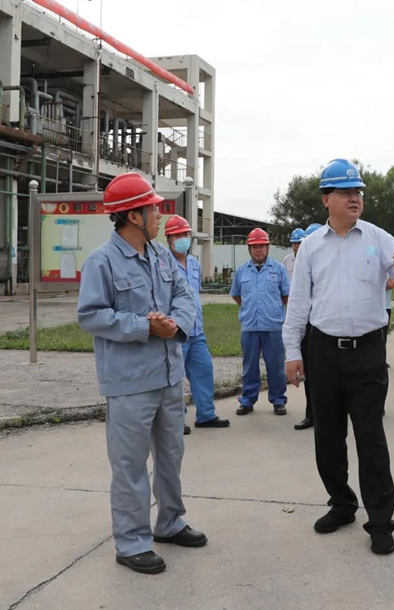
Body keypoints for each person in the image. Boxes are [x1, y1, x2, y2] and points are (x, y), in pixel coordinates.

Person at [283, 159, 394, 555]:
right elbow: (298, 304)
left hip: (367, 353)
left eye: (358, 192)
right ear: (326, 199)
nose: (355, 198)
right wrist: (292, 352)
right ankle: (342, 504)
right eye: (346, 192)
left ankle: (380, 521)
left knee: (370, 438)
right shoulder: (311, 247)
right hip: (323, 352)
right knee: (328, 437)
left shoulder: (379, 239)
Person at [77, 173, 207, 575]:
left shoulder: (161, 255)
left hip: (168, 375)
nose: (159, 215)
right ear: (133, 216)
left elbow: (185, 296)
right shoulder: (102, 261)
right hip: (130, 382)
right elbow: (91, 315)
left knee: (171, 454)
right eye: (153, 208)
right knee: (130, 464)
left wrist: (174, 324)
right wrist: (144, 327)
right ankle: (132, 542)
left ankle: (170, 522)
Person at [165, 215, 230, 434]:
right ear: (168, 238)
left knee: (204, 370)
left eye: (185, 234)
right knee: (175, 377)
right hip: (176, 331)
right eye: (178, 235)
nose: (183, 239)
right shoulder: (163, 264)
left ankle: (206, 415)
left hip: (196, 330)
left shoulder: (193, 263)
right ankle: (176, 420)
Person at [230, 228, 290, 416]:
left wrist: (272, 310)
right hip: (249, 326)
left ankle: (278, 400)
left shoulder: (278, 269)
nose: (258, 250)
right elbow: (236, 295)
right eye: (255, 246)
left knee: (276, 366)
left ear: (268, 248)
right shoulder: (241, 271)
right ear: (249, 248)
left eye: (262, 246)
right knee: (249, 366)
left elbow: (286, 295)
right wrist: (251, 309)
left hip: (273, 326)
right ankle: (247, 400)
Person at [294, 222, 324, 431]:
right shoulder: (299, 264)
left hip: (325, 327)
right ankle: (311, 414)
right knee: (311, 374)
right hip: (307, 326)